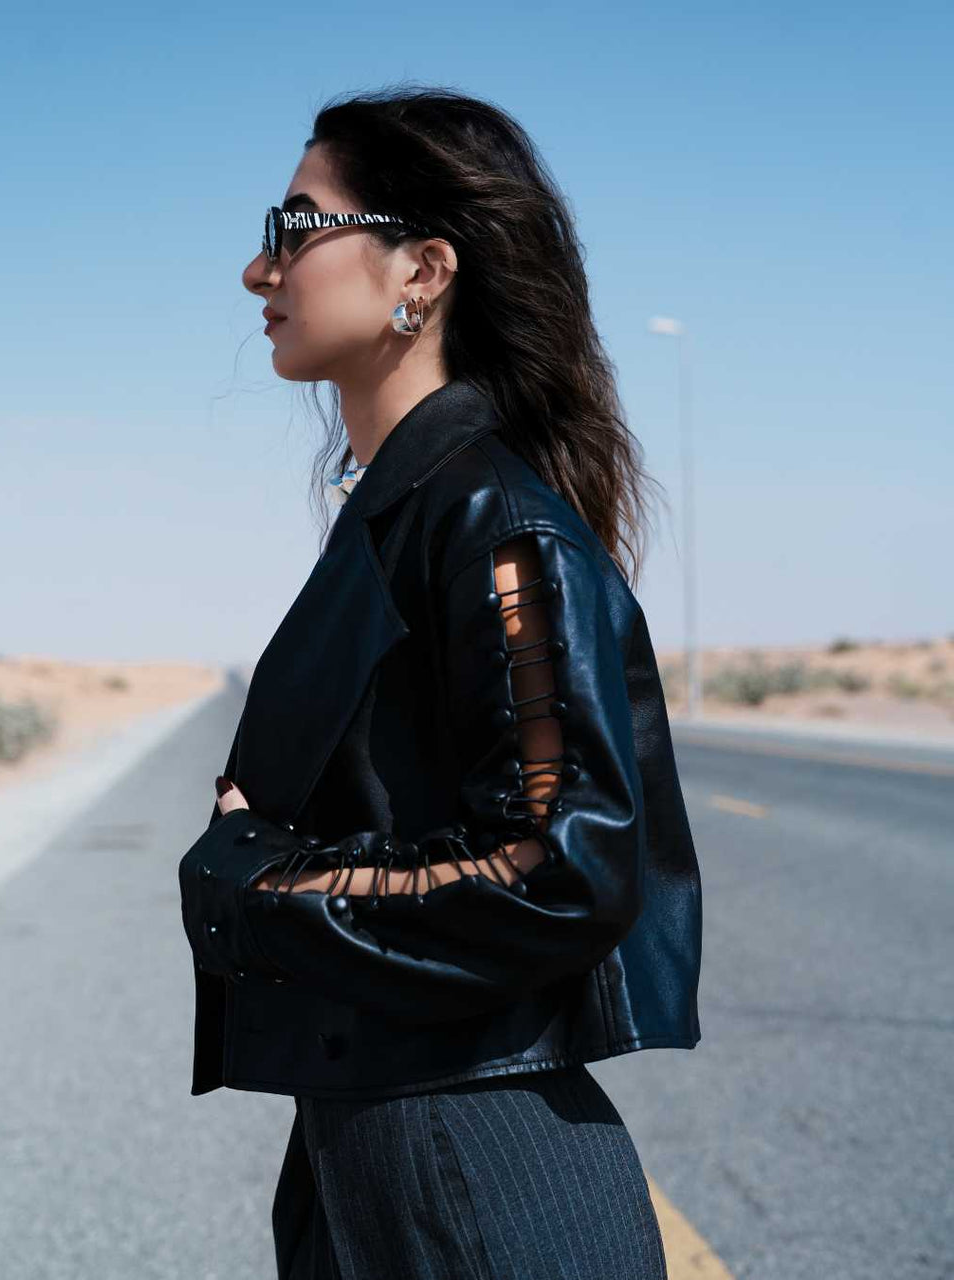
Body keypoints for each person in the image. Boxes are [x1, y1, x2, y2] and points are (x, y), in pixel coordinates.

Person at [178, 85, 702, 1280]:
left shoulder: (491, 525)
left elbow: (564, 861)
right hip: (379, 1134)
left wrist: (260, 877)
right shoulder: (414, 514)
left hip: (468, 1153)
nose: (258, 271)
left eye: (294, 226)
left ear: (422, 267)